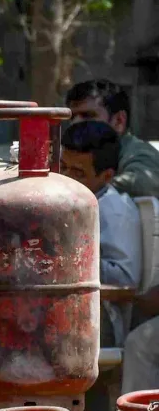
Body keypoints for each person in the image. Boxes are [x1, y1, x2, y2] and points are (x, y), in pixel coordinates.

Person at [59, 121, 143, 347]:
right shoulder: (71, 200)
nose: (66, 178)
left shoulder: (114, 210)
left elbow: (125, 282)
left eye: (78, 173)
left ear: (106, 176)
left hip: (99, 322)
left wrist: (69, 255)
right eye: (63, 167)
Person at [65, 78, 159, 199]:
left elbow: (144, 184)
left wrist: (89, 186)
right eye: (72, 117)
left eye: (87, 115)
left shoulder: (137, 152)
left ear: (119, 121)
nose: (75, 123)